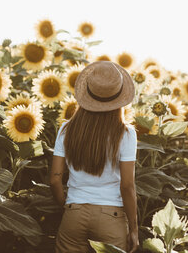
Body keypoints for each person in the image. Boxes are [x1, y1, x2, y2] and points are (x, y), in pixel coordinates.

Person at [50, 60, 139, 253]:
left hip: (74, 213)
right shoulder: (126, 133)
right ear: (120, 99)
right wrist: (134, 229)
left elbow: (55, 179)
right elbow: (127, 186)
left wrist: (65, 205)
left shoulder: (66, 130)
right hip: (111, 216)